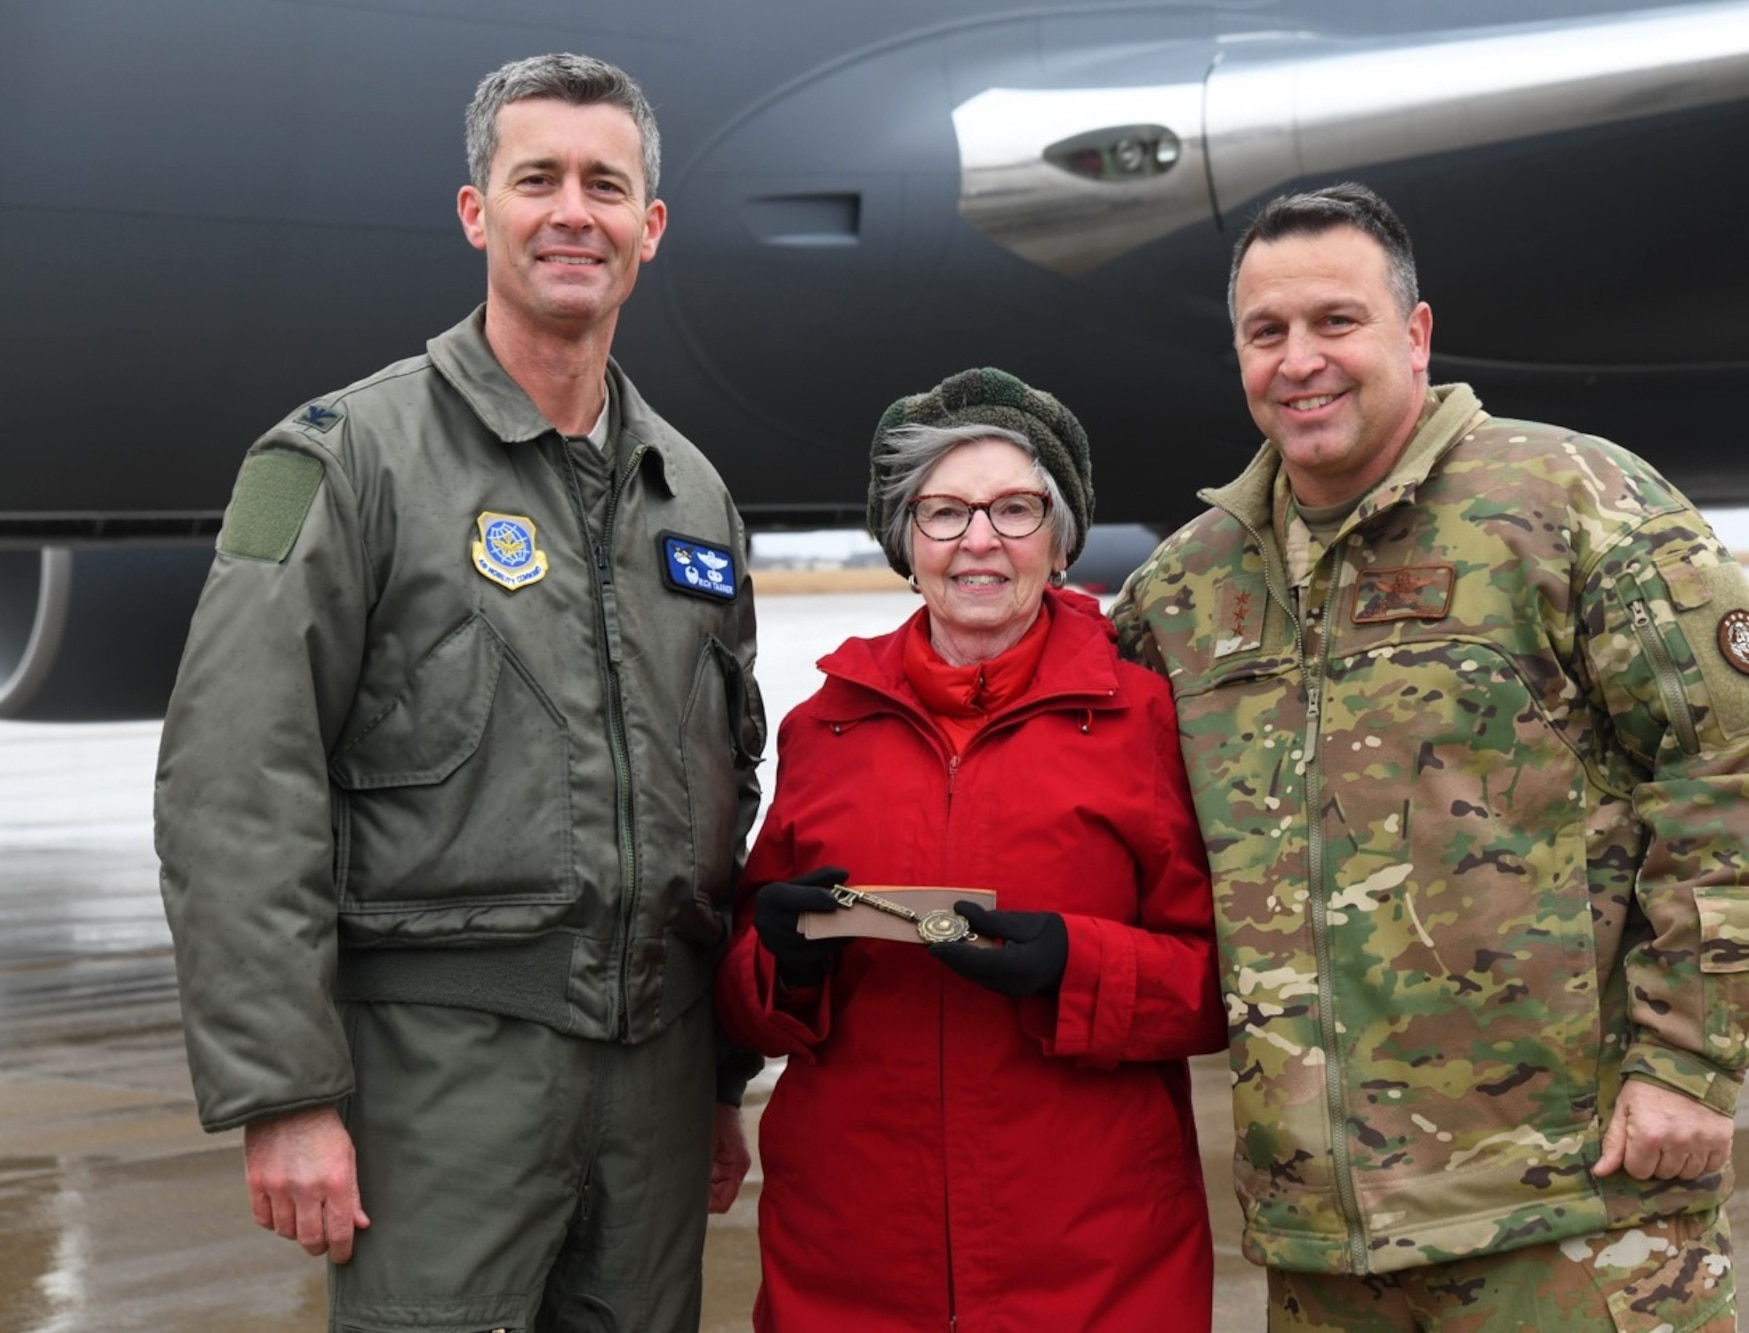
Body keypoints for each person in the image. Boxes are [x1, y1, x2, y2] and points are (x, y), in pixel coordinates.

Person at [1111, 183, 1749, 1331]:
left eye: (1335, 322)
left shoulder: (1572, 504)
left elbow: (1736, 772)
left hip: (1569, 1208)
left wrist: (1686, 1062)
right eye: (1265, 332)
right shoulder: (1191, 587)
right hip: (1324, 1242)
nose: (1300, 362)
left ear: (1414, 333)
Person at [154, 53, 763, 1330]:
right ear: (475, 211)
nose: (571, 212)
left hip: (651, 1086)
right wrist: (285, 1093)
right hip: (441, 1077)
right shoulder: (337, 458)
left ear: (649, 228)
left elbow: (717, 795)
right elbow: (234, 778)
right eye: (534, 178)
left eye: (606, 185)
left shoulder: (690, 493)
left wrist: (715, 1081)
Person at [717, 368, 1226, 1332]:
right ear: (905, 541)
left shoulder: (1149, 720)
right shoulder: (822, 728)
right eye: (944, 512)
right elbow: (743, 998)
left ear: (1062, 536)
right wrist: (775, 964)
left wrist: (1078, 967)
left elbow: (1225, 982)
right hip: (849, 1268)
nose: (980, 540)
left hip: (1095, 1271)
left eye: (1016, 508)